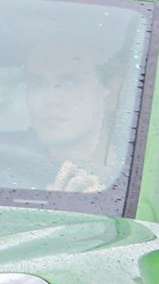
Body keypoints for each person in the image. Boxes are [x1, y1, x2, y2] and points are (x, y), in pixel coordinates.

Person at [22, 35, 122, 195]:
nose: (50, 100)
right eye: (37, 83)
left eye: (72, 82)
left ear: (110, 94)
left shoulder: (137, 175)